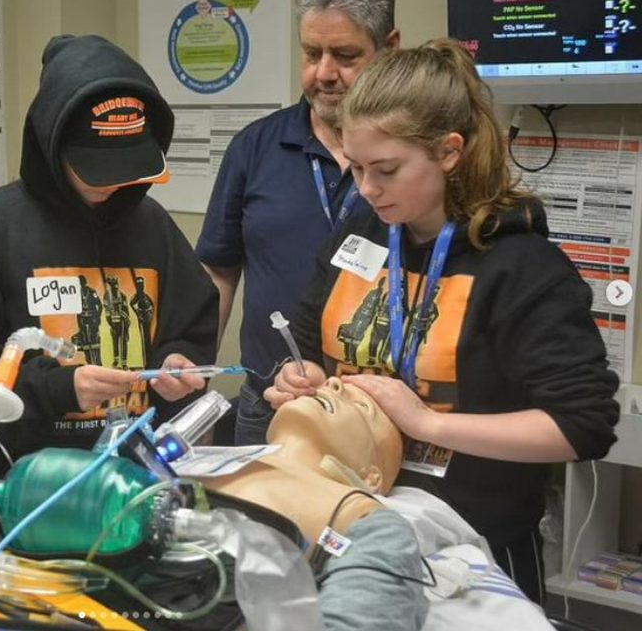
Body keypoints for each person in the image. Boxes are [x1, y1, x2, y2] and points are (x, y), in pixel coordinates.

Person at [265, 39, 620, 603]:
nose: (367, 189)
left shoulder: (522, 267)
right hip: (357, 525)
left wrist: (428, 425)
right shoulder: (362, 233)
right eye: (355, 167)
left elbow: (583, 425)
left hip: (474, 550)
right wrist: (297, 373)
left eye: (386, 169)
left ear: (449, 152)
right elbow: (308, 341)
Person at [0, 34, 218, 478]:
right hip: (27, 486)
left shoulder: (154, 226)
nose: (112, 185)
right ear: (50, 144)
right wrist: (58, 389)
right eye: (94, 167)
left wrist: (176, 364)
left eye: (127, 167)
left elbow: (189, 329)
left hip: (137, 479)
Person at [196, 0, 399, 445]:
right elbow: (220, 270)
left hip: (378, 415)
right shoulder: (255, 146)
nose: (323, 74)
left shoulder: (412, 161)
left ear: (390, 48)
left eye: (345, 57)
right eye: (311, 54)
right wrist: (196, 380)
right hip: (270, 403)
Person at [205, 377, 428, 631]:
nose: (332, 382)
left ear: (370, 477)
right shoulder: (198, 459)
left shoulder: (369, 523)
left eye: (364, 407)